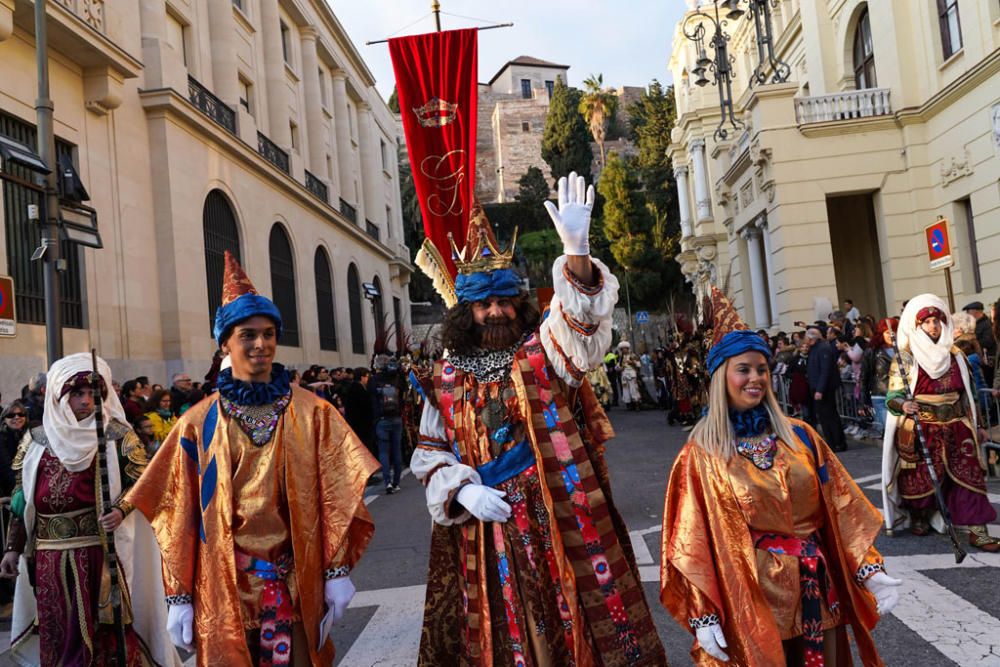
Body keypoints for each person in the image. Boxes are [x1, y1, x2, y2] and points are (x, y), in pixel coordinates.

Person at [410, 177, 666, 665]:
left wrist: (577, 252)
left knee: (573, 621)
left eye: (504, 301)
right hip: (485, 527)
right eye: (484, 304)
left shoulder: (539, 352)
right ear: (467, 312)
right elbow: (430, 454)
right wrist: (461, 491)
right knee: (500, 630)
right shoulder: (443, 377)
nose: (495, 312)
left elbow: (580, 333)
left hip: (555, 517)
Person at [125, 252, 380, 665]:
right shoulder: (197, 423)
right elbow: (177, 512)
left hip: (297, 583)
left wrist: (335, 571)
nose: (260, 344)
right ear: (225, 342)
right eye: (247, 335)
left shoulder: (314, 413)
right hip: (223, 583)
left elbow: (337, 494)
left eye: (268, 333)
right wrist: (178, 595)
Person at [660, 287, 900, 666]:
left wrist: (868, 567)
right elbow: (693, 541)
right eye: (744, 369)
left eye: (762, 369)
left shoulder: (801, 436)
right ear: (722, 376)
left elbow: (842, 507)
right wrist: (702, 613)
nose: (756, 378)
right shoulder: (700, 455)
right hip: (754, 597)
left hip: (818, 592)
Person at [0, 353, 177, 666]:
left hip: (98, 552)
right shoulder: (35, 440)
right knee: (57, 633)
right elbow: (20, 499)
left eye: (93, 394)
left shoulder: (119, 437)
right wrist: (12, 549)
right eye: (77, 394)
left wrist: (122, 509)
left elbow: (146, 485)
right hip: (49, 556)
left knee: (103, 635)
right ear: (59, 397)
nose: (86, 401)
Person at [881, 294, 999, 551]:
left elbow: (968, 394)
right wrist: (903, 405)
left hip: (958, 425)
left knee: (970, 478)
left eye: (937, 320)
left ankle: (978, 531)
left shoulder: (955, 355)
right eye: (928, 322)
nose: (934, 326)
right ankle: (920, 516)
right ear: (919, 326)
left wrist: (977, 425)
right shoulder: (907, 357)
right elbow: (892, 396)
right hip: (923, 425)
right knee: (921, 479)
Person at [805, 326, 848, 451]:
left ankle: (837, 442)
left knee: (829, 416)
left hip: (824, 389)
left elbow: (825, 370)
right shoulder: (815, 349)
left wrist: (820, 389)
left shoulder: (823, 348)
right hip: (818, 387)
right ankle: (831, 441)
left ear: (811, 338)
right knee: (823, 417)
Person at [860, 318, 899, 438]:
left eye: (894, 331)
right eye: (887, 332)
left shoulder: (904, 349)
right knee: (890, 432)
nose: (891, 335)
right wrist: (863, 401)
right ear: (881, 333)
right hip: (881, 395)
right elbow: (864, 376)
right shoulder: (872, 351)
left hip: (901, 395)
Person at [372, 360, 404, 494]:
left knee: (384, 452)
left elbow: (371, 399)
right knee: (396, 450)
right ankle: (396, 482)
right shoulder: (398, 379)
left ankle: (387, 482)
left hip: (381, 419)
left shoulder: (374, 380)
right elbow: (403, 397)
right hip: (396, 418)